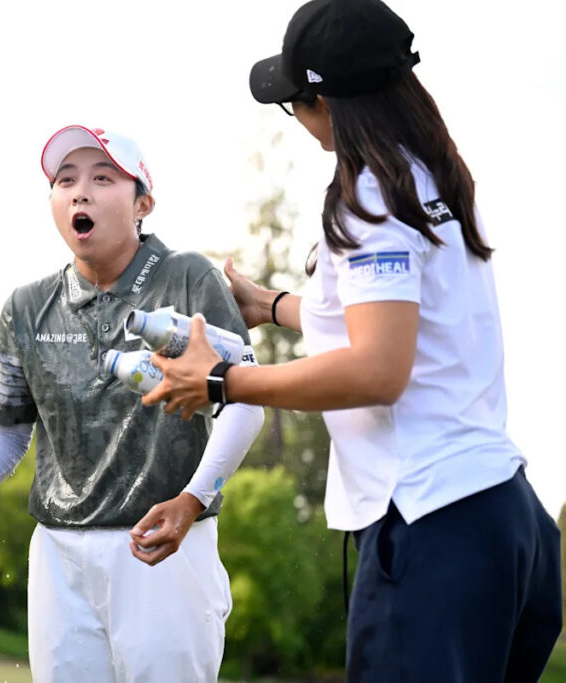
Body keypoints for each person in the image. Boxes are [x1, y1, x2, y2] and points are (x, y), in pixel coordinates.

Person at [143, 1, 562, 680]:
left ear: (326, 102)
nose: (299, 122)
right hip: (510, 523)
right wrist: (274, 306)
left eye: (296, 104)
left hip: (431, 528)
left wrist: (221, 380)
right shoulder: (438, 179)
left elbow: (378, 368)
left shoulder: (368, 194)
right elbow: (404, 330)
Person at [0, 126, 265, 682]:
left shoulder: (189, 277)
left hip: (165, 547)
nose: (80, 192)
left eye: (103, 178)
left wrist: (193, 500)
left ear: (143, 203)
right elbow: (8, 430)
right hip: (58, 556)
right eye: (65, 180)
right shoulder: (26, 307)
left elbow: (245, 403)